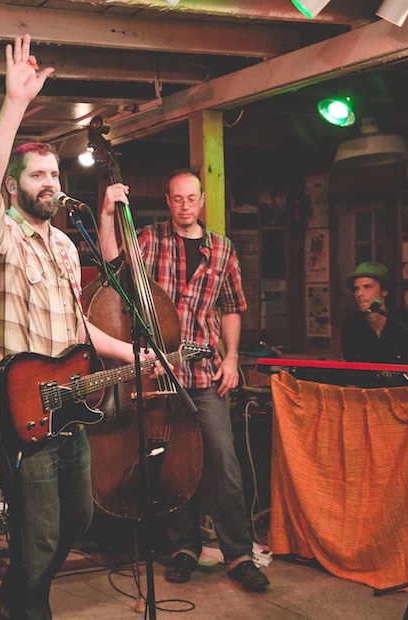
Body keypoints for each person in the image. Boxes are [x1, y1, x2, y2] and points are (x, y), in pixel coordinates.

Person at [0, 35, 155, 620]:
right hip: (17, 402)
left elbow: (79, 332)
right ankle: (22, 612)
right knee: (39, 531)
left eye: (54, 172)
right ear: (17, 184)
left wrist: (135, 356)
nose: (50, 181)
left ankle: (13, 606)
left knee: (78, 519)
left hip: (66, 401)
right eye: (37, 174)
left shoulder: (68, 249)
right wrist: (15, 102)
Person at [98, 169, 271, 593]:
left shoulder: (222, 249)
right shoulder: (150, 240)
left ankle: (237, 554)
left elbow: (231, 308)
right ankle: (184, 548)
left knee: (224, 463)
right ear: (168, 200)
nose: (185, 205)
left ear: (202, 199)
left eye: (191, 197)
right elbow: (111, 261)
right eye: (177, 199)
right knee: (176, 465)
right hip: (160, 374)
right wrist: (106, 213)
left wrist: (232, 358)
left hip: (206, 372)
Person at [340, 261, 408, 365]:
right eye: (356, 289)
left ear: (384, 291)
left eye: (367, 287)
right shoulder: (351, 327)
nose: (359, 294)